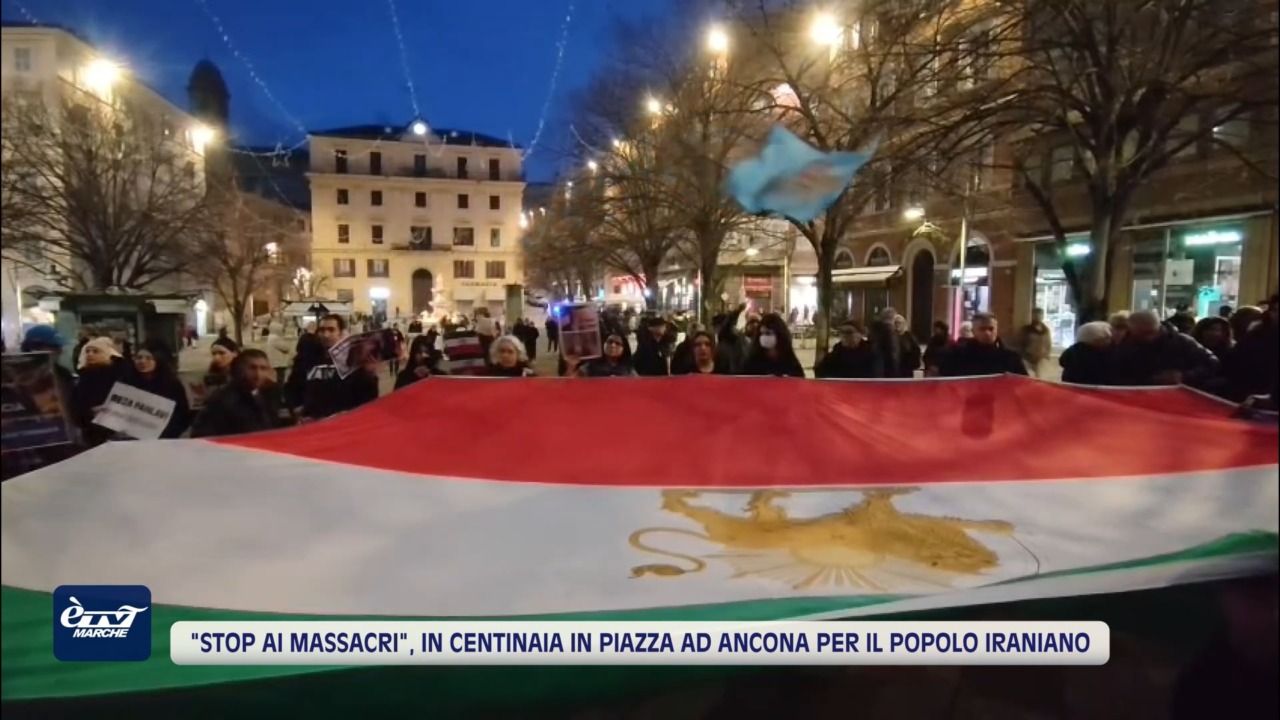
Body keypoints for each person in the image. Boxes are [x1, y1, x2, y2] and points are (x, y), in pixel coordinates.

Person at [2, 326, 82, 481]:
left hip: (61, 444)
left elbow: (72, 405)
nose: (60, 352)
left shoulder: (62, 374)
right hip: (25, 449)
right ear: (34, 348)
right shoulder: (11, 375)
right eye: (55, 348)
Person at [282, 314, 379, 422]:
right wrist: (296, 408)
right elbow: (291, 387)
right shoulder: (306, 358)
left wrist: (370, 374)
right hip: (312, 423)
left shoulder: (352, 361)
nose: (326, 335)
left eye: (331, 330)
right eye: (322, 330)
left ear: (340, 333)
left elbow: (367, 399)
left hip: (341, 424)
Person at [1111, 309, 1219, 387]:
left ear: (1159, 327)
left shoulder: (1182, 342)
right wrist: (1150, 380)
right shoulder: (1126, 345)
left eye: (1150, 332)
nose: (1148, 338)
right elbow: (1118, 375)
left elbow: (1212, 363)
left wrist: (1184, 376)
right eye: (1141, 334)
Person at [191, 349, 282, 438]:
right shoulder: (222, 400)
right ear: (240, 369)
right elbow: (202, 435)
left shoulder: (270, 394)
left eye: (263, 368)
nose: (258, 374)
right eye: (252, 368)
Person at [119, 340, 191, 439]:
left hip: (163, 438)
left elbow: (182, 414)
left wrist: (165, 433)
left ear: (158, 360)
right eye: (139, 357)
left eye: (149, 358)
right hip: (132, 438)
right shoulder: (126, 381)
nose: (142, 361)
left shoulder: (171, 384)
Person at [71, 337, 124, 447]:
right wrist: (88, 412)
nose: (90, 354)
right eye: (87, 351)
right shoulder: (85, 375)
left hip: (114, 429)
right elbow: (77, 402)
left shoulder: (118, 375)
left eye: (95, 351)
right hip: (91, 430)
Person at [938, 313, 1028, 377]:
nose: (987, 333)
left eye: (991, 329)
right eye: (982, 329)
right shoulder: (958, 355)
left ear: (997, 330)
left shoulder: (1011, 357)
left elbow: (1022, 384)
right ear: (973, 331)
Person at [814, 321, 883, 379]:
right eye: (841, 332)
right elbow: (820, 372)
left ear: (860, 334)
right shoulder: (835, 353)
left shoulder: (871, 352)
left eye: (849, 332)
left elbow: (875, 374)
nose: (844, 335)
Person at [1058, 321, 1113, 386]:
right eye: (1105, 338)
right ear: (1094, 339)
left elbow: (1062, 361)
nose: (1109, 341)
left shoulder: (1073, 350)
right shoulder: (1098, 353)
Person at [568, 332, 638, 377]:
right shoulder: (591, 365)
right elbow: (570, 383)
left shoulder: (628, 370)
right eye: (610, 342)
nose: (613, 345)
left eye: (618, 343)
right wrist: (571, 366)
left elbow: (639, 386)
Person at [1015, 308, 1054, 378]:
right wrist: (1023, 356)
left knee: (1041, 379)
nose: (1037, 317)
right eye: (1035, 315)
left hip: (1041, 360)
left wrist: (1047, 354)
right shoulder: (1026, 330)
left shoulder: (1046, 330)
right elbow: (1020, 344)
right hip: (1028, 359)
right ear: (1032, 316)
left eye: (1039, 315)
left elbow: (1049, 344)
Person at [892, 314, 922, 379]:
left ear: (903, 324)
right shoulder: (891, 336)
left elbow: (916, 351)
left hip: (906, 368)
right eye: (896, 323)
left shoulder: (909, 337)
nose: (897, 325)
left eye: (899, 323)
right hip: (893, 369)